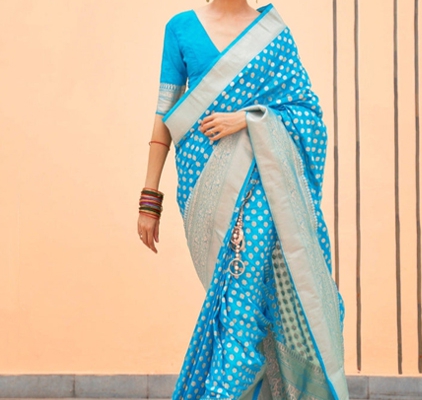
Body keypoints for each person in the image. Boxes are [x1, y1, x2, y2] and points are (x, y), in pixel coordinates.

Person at [137, 1, 349, 399]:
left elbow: (308, 115)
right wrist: (150, 198)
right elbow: (164, 116)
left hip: (263, 185)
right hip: (204, 188)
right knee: (235, 298)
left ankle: (224, 391)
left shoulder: (273, 35)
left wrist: (250, 119)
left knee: (242, 303)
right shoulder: (181, 28)